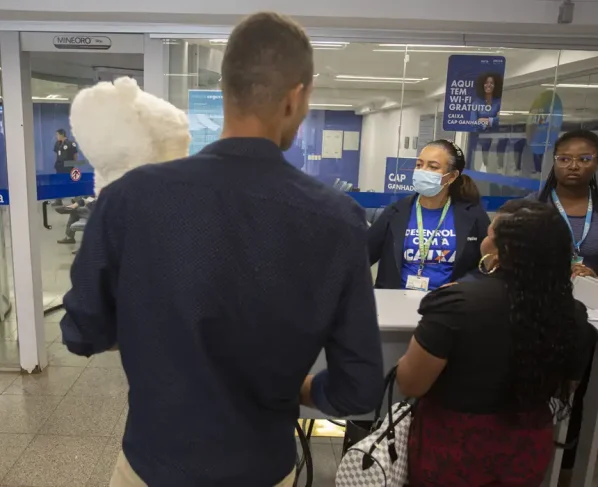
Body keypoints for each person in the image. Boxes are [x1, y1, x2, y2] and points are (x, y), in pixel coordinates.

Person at [60, 12, 384, 487]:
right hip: (261, 467)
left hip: (154, 464)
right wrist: (304, 388)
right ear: (295, 99)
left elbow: (80, 331)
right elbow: (360, 387)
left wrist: (147, 333)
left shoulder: (131, 197)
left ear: (227, 88)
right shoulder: (338, 221)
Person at [396, 199, 594, 487]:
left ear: (503, 250)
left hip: (456, 448)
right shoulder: (574, 315)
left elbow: (411, 384)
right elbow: (569, 385)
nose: (485, 238)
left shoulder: (456, 303)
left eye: (490, 233)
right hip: (528, 450)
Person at [368, 139, 490, 291]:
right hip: (396, 302)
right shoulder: (395, 212)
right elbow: (363, 257)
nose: (422, 171)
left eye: (433, 167)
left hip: (448, 305)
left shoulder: (473, 216)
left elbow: (489, 266)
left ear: (451, 177)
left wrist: (467, 284)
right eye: (419, 165)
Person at [532, 129, 598, 278]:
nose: (573, 166)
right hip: (538, 297)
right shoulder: (530, 207)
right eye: (564, 159)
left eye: (584, 159)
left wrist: (595, 277)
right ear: (554, 161)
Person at [52, 128, 78, 206]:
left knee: (71, 182)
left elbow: (75, 155)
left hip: (68, 166)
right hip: (60, 166)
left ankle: (76, 199)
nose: (56, 136)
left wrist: (73, 164)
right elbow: (57, 154)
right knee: (59, 183)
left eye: (57, 135)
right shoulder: (57, 143)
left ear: (62, 135)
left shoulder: (71, 143)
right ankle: (58, 200)